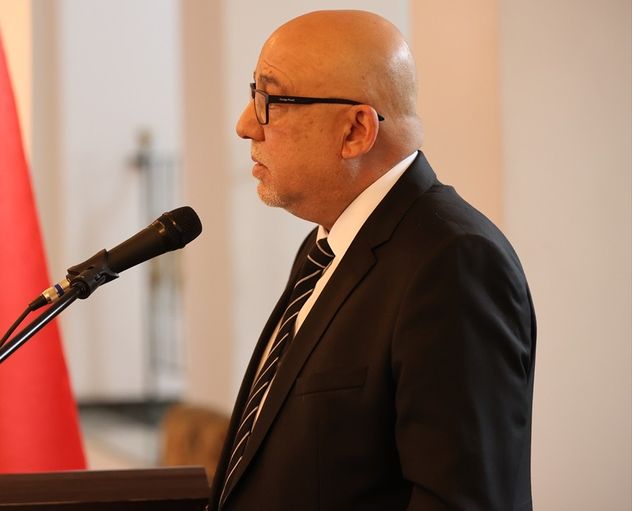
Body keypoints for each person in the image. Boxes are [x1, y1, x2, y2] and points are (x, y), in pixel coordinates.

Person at [210, 10, 535, 511]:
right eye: (255, 93)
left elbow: (462, 499)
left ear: (356, 130)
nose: (245, 125)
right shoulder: (325, 246)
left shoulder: (453, 263)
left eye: (271, 100)